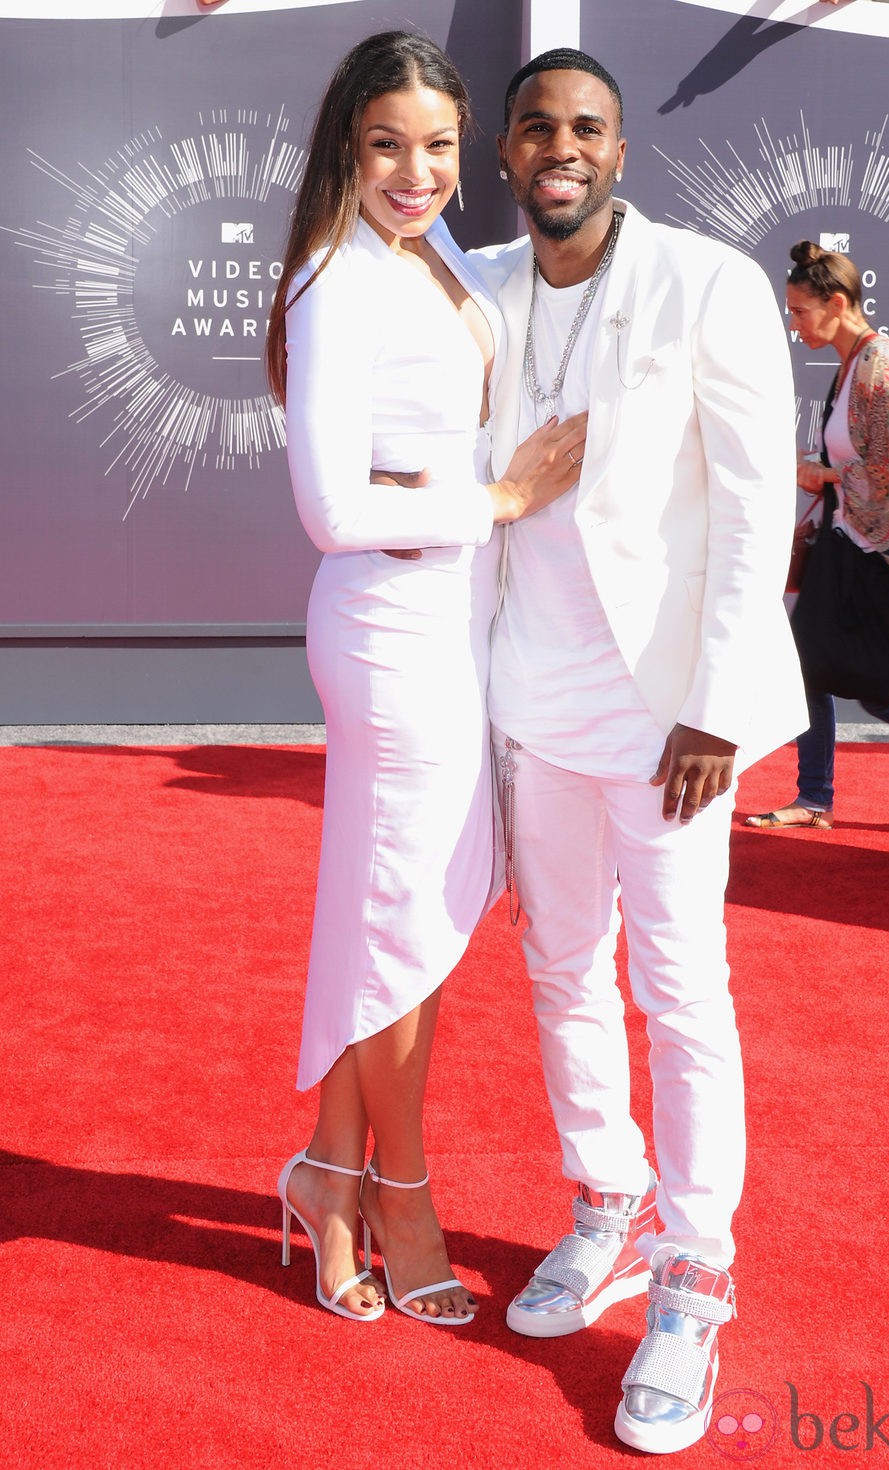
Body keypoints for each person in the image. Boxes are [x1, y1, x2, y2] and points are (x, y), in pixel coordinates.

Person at [469, 49, 806, 1454]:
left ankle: (695, 1269)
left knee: (680, 986)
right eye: (539, 125)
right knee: (557, 967)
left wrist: (719, 702)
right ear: (506, 151)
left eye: (588, 127)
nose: (563, 146)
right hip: (530, 697)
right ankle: (604, 1201)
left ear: (622, 150)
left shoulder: (705, 281)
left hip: (671, 713)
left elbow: (749, 498)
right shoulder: (474, 285)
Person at [265, 31, 586, 1327]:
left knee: (399, 921)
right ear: (350, 140)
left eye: (441, 146)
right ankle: (400, 1187)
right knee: (402, 920)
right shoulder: (335, 279)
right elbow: (334, 507)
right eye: (390, 143)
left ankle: (324, 1173)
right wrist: (501, 493)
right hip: (391, 633)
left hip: (457, 623)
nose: (417, 170)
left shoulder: (438, 252)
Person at [747, 241, 889, 830]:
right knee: (804, 668)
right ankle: (814, 797)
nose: (793, 324)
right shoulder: (850, 366)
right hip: (849, 555)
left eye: (799, 311)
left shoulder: (883, 363)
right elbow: (858, 459)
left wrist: (823, 473)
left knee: (881, 695)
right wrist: (816, 479)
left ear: (838, 302)